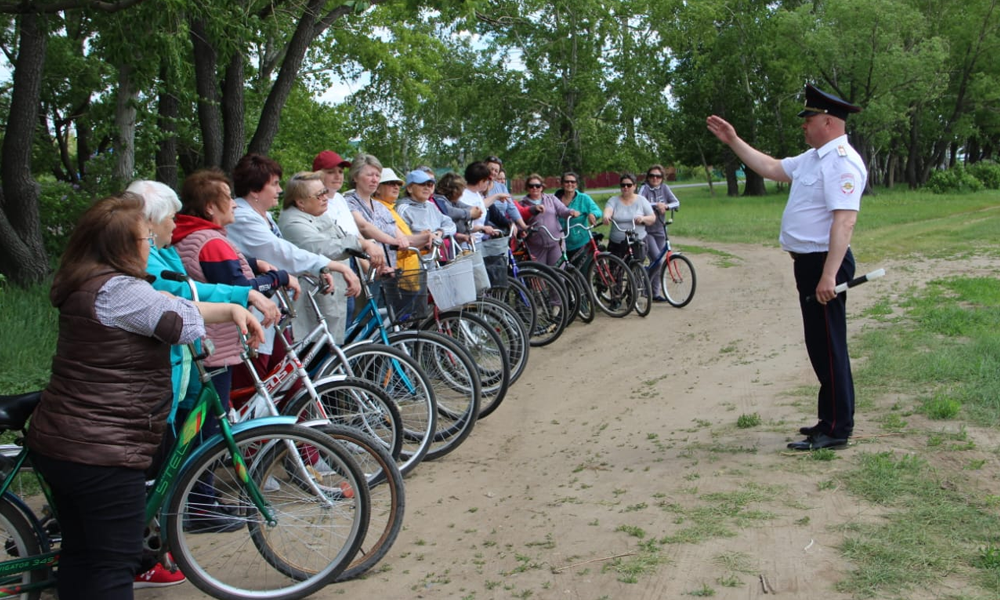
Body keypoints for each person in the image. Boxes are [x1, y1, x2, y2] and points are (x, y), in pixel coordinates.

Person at [25, 192, 263, 600]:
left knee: (82, 555)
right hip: (103, 450)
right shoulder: (119, 290)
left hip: (64, 439)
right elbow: (177, 321)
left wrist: (229, 309)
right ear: (122, 246)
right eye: (144, 240)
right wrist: (228, 309)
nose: (150, 245)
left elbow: (162, 300)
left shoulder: (88, 281)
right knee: (114, 564)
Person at [706, 83, 866, 451]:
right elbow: (772, 167)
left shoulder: (842, 162)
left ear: (827, 121)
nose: (803, 126)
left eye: (808, 120)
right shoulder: (814, 158)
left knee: (830, 347)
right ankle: (828, 419)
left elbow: (844, 222)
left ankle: (838, 429)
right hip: (808, 265)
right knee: (818, 345)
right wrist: (734, 140)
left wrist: (829, 274)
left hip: (825, 264)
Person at [171, 167, 298, 410]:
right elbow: (237, 287)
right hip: (215, 346)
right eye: (228, 198)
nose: (235, 204)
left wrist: (253, 263)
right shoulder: (213, 242)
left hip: (205, 341)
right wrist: (278, 277)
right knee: (211, 424)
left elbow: (210, 271)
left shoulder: (192, 234)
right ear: (210, 207)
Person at [277, 172, 365, 344]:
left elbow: (341, 235)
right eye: (319, 195)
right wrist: (363, 244)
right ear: (300, 202)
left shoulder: (318, 213)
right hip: (311, 303)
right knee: (315, 353)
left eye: (325, 192)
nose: (325, 197)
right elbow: (323, 247)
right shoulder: (293, 222)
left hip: (330, 298)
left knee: (332, 348)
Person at [344, 153, 412, 268]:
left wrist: (427, 237)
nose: (375, 180)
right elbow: (364, 227)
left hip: (389, 272)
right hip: (367, 273)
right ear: (355, 177)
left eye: (377, 175)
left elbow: (400, 235)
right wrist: (393, 241)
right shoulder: (348, 202)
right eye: (370, 175)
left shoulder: (381, 207)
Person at [638, 164, 681, 302]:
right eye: (652, 176)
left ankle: (655, 293)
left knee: (657, 262)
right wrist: (656, 205)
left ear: (662, 177)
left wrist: (666, 206)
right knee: (658, 259)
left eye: (658, 176)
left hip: (661, 230)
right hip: (647, 231)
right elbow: (639, 202)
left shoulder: (665, 188)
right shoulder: (644, 188)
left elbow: (676, 202)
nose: (655, 179)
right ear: (648, 177)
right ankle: (645, 285)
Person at [518, 173, 579, 266]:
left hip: (556, 243)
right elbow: (518, 222)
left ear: (542, 187)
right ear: (527, 188)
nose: (535, 188)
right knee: (540, 275)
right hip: (535, 246)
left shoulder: (551, 199)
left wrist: (571, 212)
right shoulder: (522, 204)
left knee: (558, 274)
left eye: (538, 186)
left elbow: (563, 210)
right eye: (531, 186)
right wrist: (521, 231)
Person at [396, 170, 457, 248]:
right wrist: (423, 238)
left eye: (430, 185)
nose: (427, 188)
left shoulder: (431, 206)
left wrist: (440, 232)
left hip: (435, 258)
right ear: (409, 188)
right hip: (415, 258)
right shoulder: (403, 210)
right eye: (422, 184)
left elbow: (451, 224)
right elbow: (402, 240)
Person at [602, 173, 655, 260]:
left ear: (634, 186)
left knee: (636, 269)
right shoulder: (613, 200)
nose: (625, 187)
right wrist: (606, 216)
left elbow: (652, 218)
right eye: (623, 185)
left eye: (629, 185)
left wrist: (643, 218)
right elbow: (608, 210)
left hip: (637, 241)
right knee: (616, 271)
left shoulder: (642, 200)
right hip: (617, 242)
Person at [556, 171, 601, 269]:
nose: (570, 184)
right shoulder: (555, 199)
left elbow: (597, 210)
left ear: (576, 184)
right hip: (561, 244)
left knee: (583, 273)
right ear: (562, 184)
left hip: (580, 243)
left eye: (573, 182)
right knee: (564, 275)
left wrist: (592, 214)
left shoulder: (583, 198)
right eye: (567, 182)